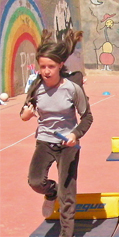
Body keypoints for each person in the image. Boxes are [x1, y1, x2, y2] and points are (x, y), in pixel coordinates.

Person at [20, 29, 93, 237]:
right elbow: (24, 113)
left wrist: (75, 134)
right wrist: (25, 114)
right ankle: (51, 192)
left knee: (67, 193)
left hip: (68, 145)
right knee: (35, 182)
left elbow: (87, 117)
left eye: (51, 66)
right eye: (42, 67)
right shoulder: (36, 88)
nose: (46, 71)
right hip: (44, 141)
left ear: (60, 65)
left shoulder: (72, 88)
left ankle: (66, 234)